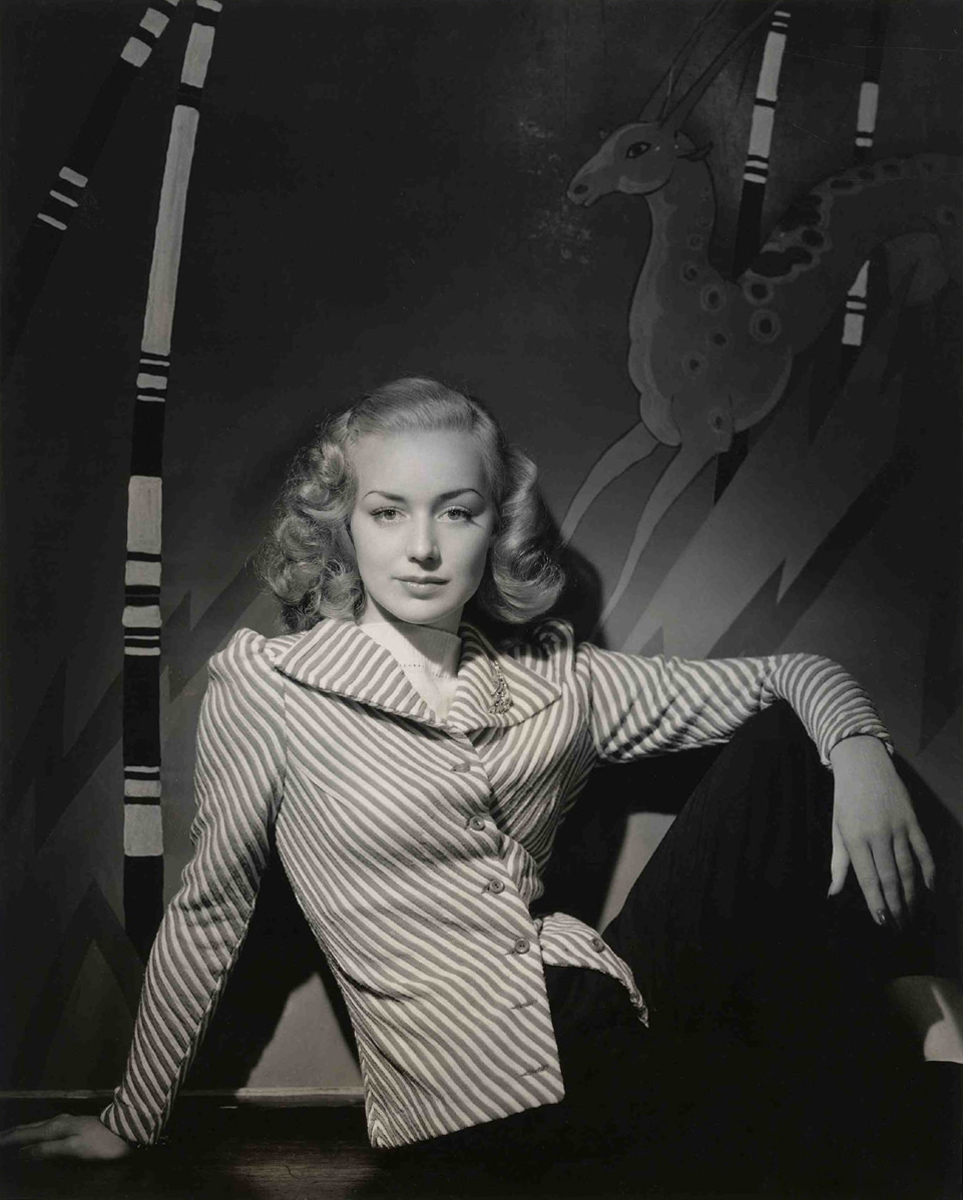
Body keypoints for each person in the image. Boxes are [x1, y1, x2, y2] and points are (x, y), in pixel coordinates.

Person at [0, 377, 942, 1190]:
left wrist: (857, 750)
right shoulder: (272, 687)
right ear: (343, 525)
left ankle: (923, 1017)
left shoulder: (559, 679)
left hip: (614, 1023)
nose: (422, 547)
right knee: (849, 1080)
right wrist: (131, 1119)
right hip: (472, 1110)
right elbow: (210, 911)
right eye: (387, 511)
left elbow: (792, 675)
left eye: (456, 512)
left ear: (496, 526)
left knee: (793, 743)